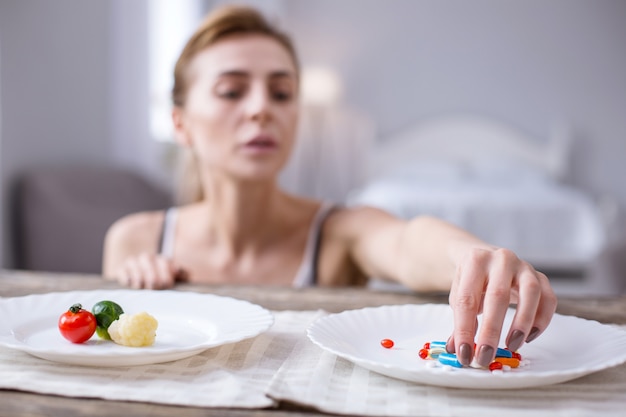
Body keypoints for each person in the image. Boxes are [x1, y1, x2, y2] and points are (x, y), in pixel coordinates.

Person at [102, 5, 557, 368]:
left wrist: (471, 258)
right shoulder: (134, 240)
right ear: (180, 123)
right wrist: (135, 290)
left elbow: (405, 242)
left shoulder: (340, 231)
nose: (262, 108)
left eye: (282, 93)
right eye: (231, 91)